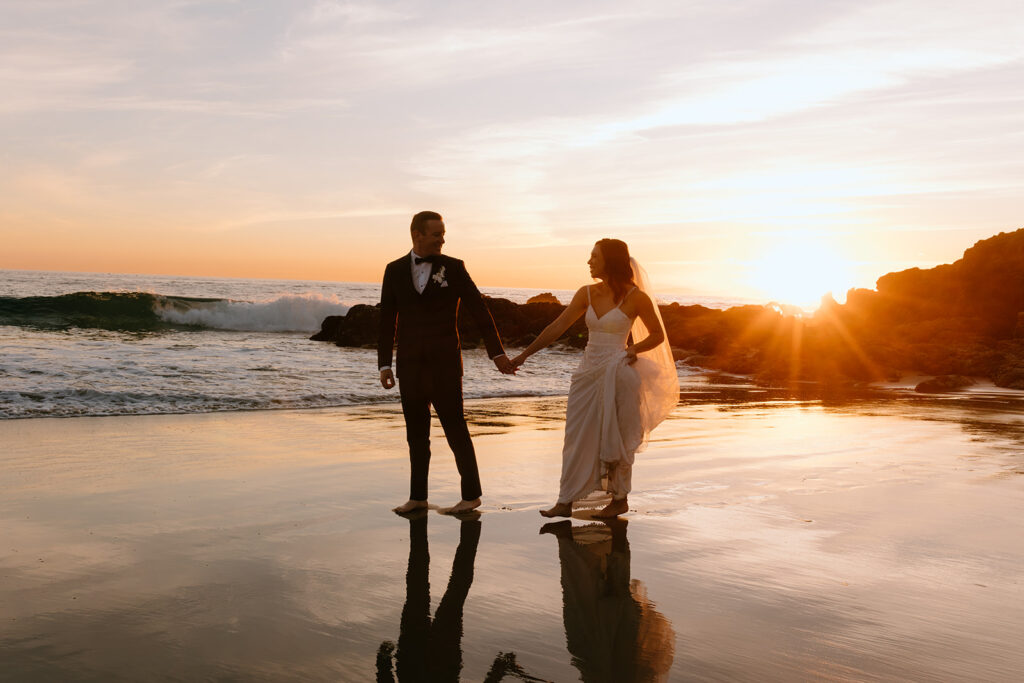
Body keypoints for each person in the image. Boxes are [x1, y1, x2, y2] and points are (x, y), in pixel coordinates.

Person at [511, 239, 678, 518]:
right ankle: (566, 500)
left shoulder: (637, 297)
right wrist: (524, 355)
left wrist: (633, 349)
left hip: (619, 372)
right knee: (576, 436)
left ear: (610, 260)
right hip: (587, 373)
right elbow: (558, 326)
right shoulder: (586, 293)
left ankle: (619, 498)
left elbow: (657, 335)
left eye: (594, 256)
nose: (589, 261)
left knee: (618, 436)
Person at [379, 211, 516, 515]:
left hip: (445, 364)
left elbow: (480, 310)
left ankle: (471, 495)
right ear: (417, 234)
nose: (443, 239)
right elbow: (387, 319)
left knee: (455, 429)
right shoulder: (394, 270)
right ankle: (418, 498)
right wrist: (384, 364)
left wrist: (497, 354)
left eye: (443, 234)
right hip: (409, 365)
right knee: (416, 433)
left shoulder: (453, 268)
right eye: (437, 234)